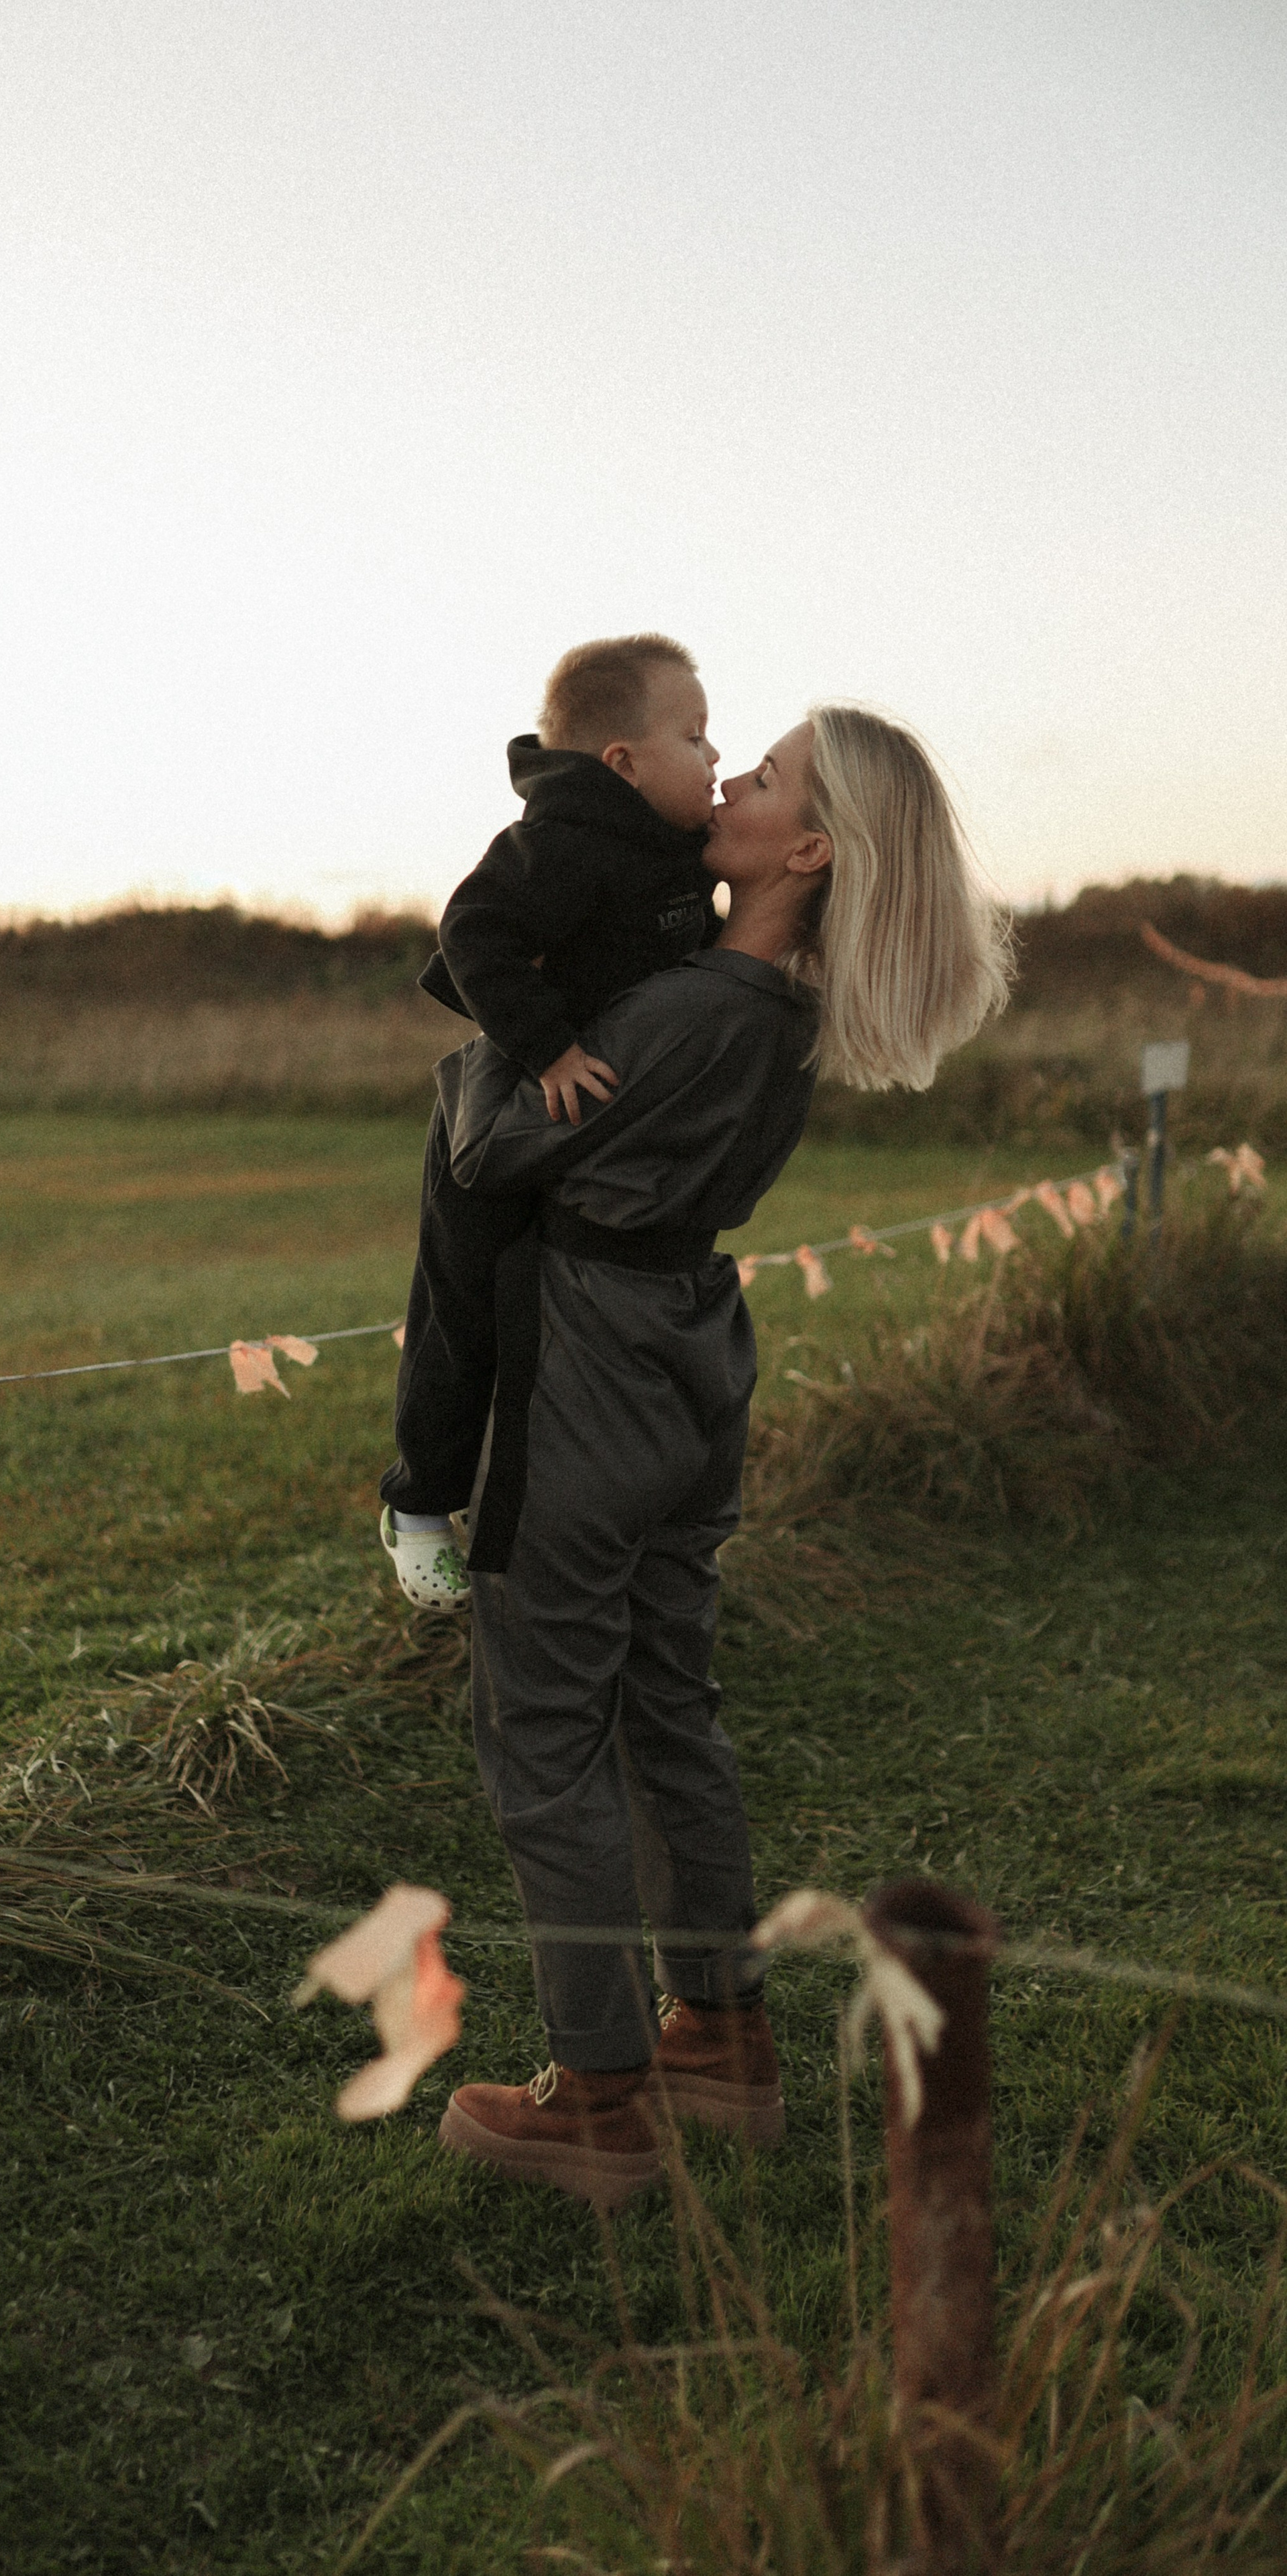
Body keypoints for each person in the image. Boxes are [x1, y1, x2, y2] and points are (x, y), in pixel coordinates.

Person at [431, 706, 1014, 2208]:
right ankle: (719, 2035)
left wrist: (489, 1036)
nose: (732, 780)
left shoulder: (686, 1009)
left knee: (544, 1728)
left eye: (762, 777)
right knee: (666, 1708)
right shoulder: (781, 1017)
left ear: (805, 851)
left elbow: (492, 1147)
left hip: (587, 1370)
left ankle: (597, 2099)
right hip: (691, 1364)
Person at [380, 633, 723, 1612]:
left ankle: (552, 1520)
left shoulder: (680, 848)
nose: (715, 759)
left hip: (578, 1128)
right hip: (498, 1115)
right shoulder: (564, 840)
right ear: (623, 763)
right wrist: (550, 1049)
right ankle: (418, 1504)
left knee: (548, 1320)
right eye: (695, 737)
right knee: (463, 1313)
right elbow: (473, 931)